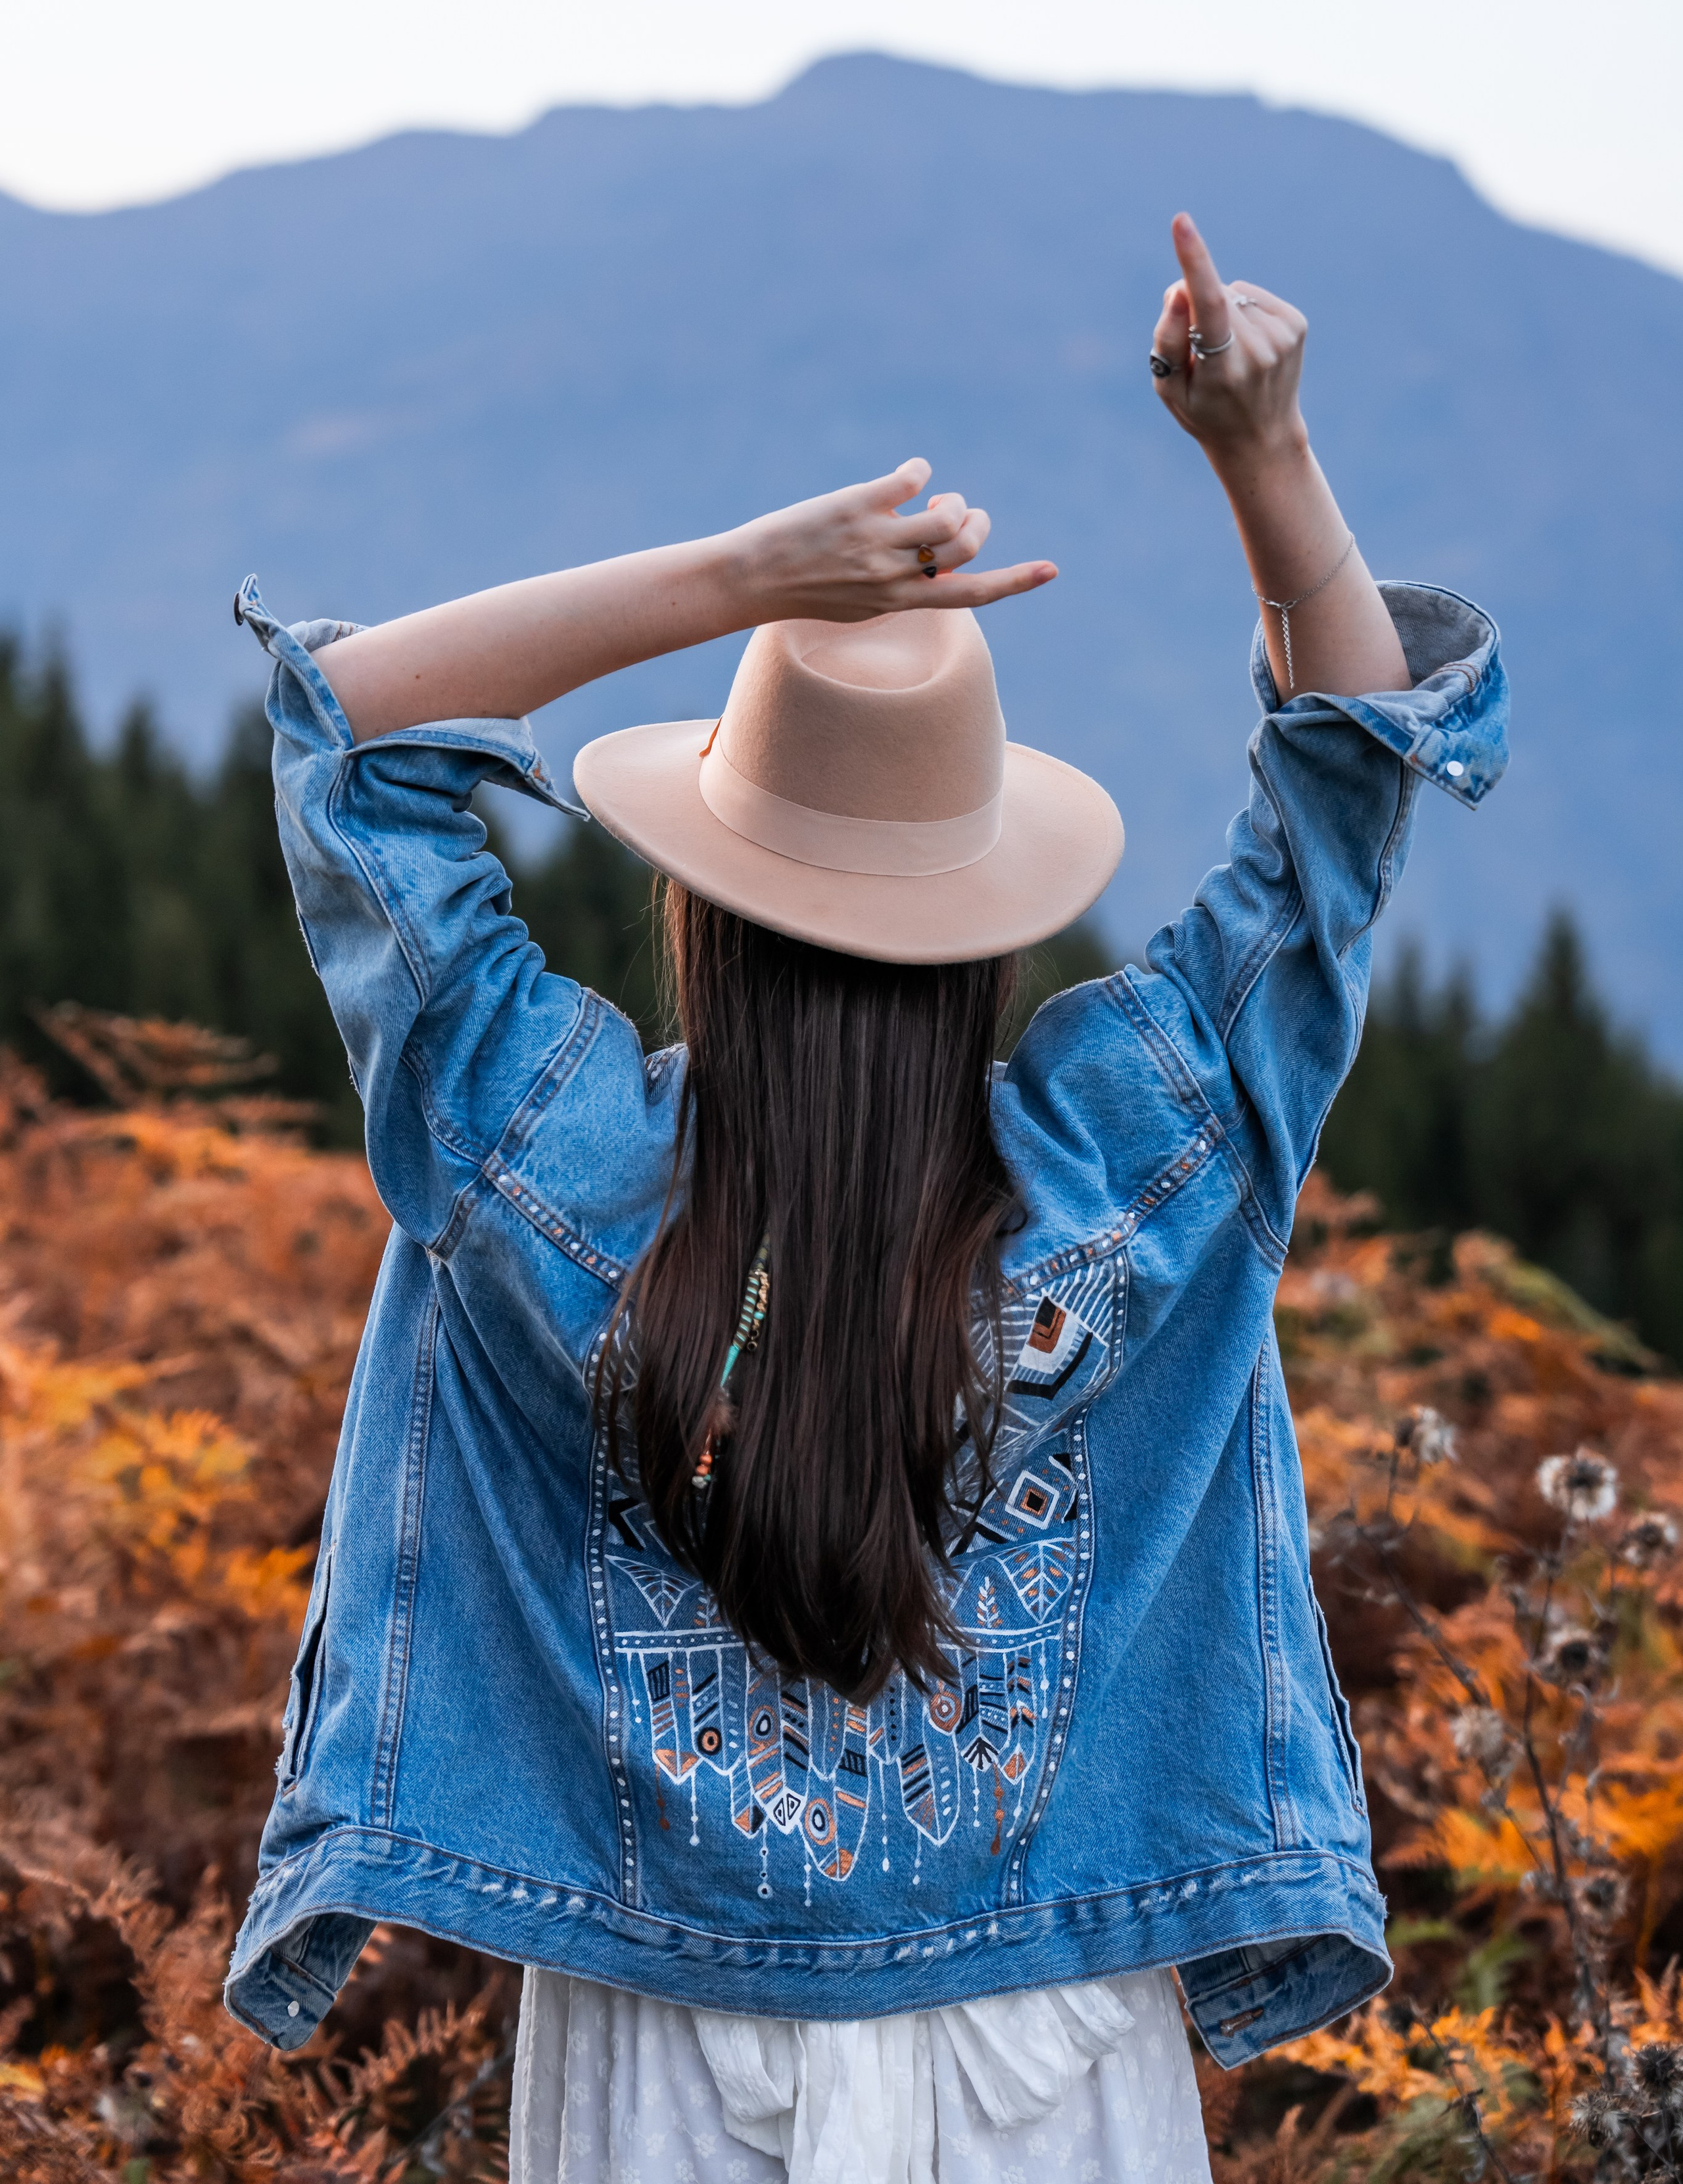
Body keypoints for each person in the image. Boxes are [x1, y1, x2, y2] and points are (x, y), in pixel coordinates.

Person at [223, 216, 1508, 2183]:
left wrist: (748, 577)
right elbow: (1343, 791)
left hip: (660, 2053)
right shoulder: (1135, 1160)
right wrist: (1265, 451)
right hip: (1051, 2057)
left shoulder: (540, 1158)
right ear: (990, 919)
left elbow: (354, 735)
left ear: (697, 898)